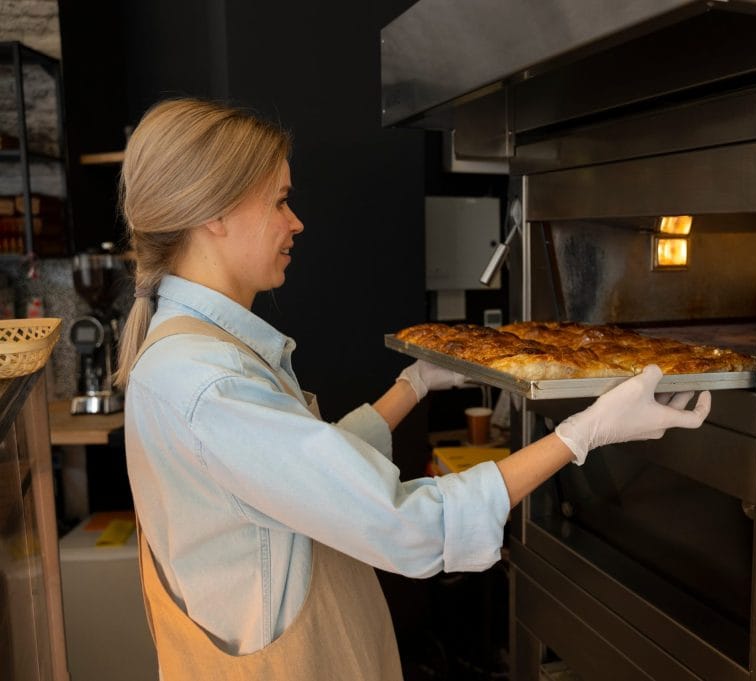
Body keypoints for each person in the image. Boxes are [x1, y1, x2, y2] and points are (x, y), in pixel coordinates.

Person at [114, 97, 712, 680]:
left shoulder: (190, 355)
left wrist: (414, 384)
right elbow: (412, 525)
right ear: (213, 214)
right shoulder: (210, 382)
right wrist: (585, 433)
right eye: (280, 201)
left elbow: (298, 484)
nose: (295, 222)